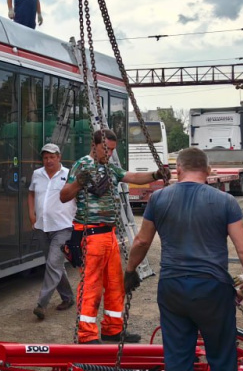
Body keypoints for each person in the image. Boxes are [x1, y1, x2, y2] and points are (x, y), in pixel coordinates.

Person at [124, 147, 243, 371]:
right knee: (222, 356)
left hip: (173, 287)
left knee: (177, 357)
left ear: (177, 169)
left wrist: (130, 271)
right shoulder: (225, 201)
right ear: (208, 170)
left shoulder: (159, 198)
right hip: (213, 290)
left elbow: (141, 241)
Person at [59, 128, 167, 344]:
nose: (108, 154)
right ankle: (87, 335)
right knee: (91, 284)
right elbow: (63, 196)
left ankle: (113, 329)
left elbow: (133, 176)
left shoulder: (110, 168)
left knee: (115, 283)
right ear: (95, 145)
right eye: (105, 149)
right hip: (91, 234)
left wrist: (156, 175)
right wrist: (79, 182)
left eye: (111, 150)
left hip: (109, 235)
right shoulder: (82, 165)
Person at [29, 143, 76, 319]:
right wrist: (31, 215)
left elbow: (78, 196)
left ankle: (42, 304)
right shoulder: (37, 174)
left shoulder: (69, 175)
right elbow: (31, 194)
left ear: (59, 157)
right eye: (45, 157)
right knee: (54, 264)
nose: (48, 160)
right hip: (42, 226)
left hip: (63, 227)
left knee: (52, 264)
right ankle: (68, 297)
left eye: (52, 157)